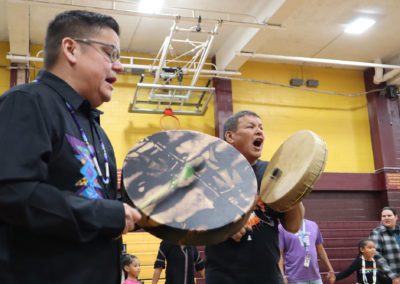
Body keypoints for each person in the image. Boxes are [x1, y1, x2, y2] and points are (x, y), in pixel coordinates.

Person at [0, 10, 141, 284]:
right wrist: (108, 214)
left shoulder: (95, 128)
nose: (120, 66)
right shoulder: (27, 102)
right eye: (110, 53)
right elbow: (11, 192)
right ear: (71, 49)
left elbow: (98, 207)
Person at [205, 110, 304, 284]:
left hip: (268, 276)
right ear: (230, 136)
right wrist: (224, 228)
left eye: (261, 127)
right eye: (251, 127)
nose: (259, 131)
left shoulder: (274, 171)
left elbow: (293, 226)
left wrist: (293, 188)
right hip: (223, 276)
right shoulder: (209, 173)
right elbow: (192, 220)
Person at [279, 218, 335, 284]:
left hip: (315, 277)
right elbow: (279, 254)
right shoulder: (283, 227)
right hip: (295, 278)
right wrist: (282, 276)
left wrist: (330, 270)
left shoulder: (313, 225)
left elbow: (320, 250)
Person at [369, 207, 400, 284]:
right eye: (384, 216)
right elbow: (375, 254)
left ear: (396, 217)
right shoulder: (377, 233)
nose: (386, 218)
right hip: (388, 277)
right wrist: (393, 275)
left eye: (389, 215)